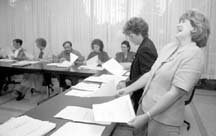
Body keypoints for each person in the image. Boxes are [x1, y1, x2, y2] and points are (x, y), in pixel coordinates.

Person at [117, 9, 210, 136]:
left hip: (163, 119)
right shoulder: (169, 47)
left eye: (183, 22)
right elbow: (150, 74)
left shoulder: (194, 54)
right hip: (144, 106)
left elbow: (175, 93)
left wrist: (147, 116)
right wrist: (127, 89)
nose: (178, 25)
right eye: (179, 21)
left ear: (195, 28)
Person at [117, 17, 158, 112]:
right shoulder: (145, 44)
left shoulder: (145, 48)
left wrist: (127, 84)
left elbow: (147, 75)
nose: (130, 40)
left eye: (131, 36)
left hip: (142, 92)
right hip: (139, 89)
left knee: (139, 118)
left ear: (139, 33)